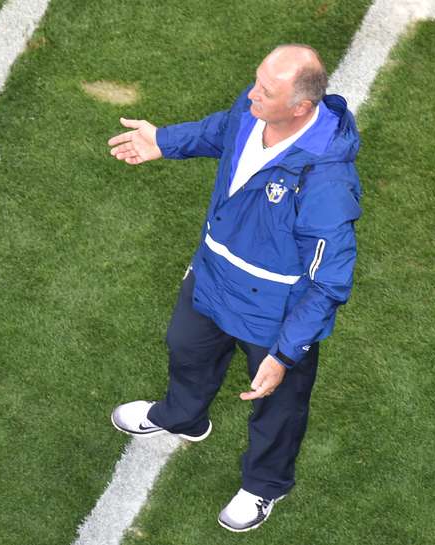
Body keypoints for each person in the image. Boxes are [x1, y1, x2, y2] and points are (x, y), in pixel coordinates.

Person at [107, 44, 361, 532]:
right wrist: (164, 140)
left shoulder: (327, 183)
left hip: (274, 313)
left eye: (265, 90)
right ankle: (183, 417)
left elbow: (329, 283)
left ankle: (265, 485)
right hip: (213, 277)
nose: (251, 94)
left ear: (300, 107)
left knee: (276, 406)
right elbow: (218, 131)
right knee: (185, 348)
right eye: (256, 81)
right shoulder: (250, 115)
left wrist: (285, 354)